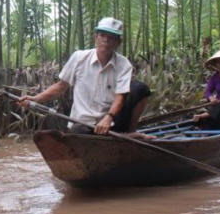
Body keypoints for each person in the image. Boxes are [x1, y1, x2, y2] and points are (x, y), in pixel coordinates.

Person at [18, 17, 151, 137]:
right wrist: (35, 98)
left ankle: (130, 133)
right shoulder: (79, 58)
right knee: (80, 131)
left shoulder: (123, 64)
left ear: (118, 42)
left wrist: (108, 117)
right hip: (81, 124)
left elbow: (120, 96)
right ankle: (125, 137)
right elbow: (61, 87)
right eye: (102, 35)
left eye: (111, 37)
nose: (105, 40)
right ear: (96, 37)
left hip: (108, 124)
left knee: (141, 89)